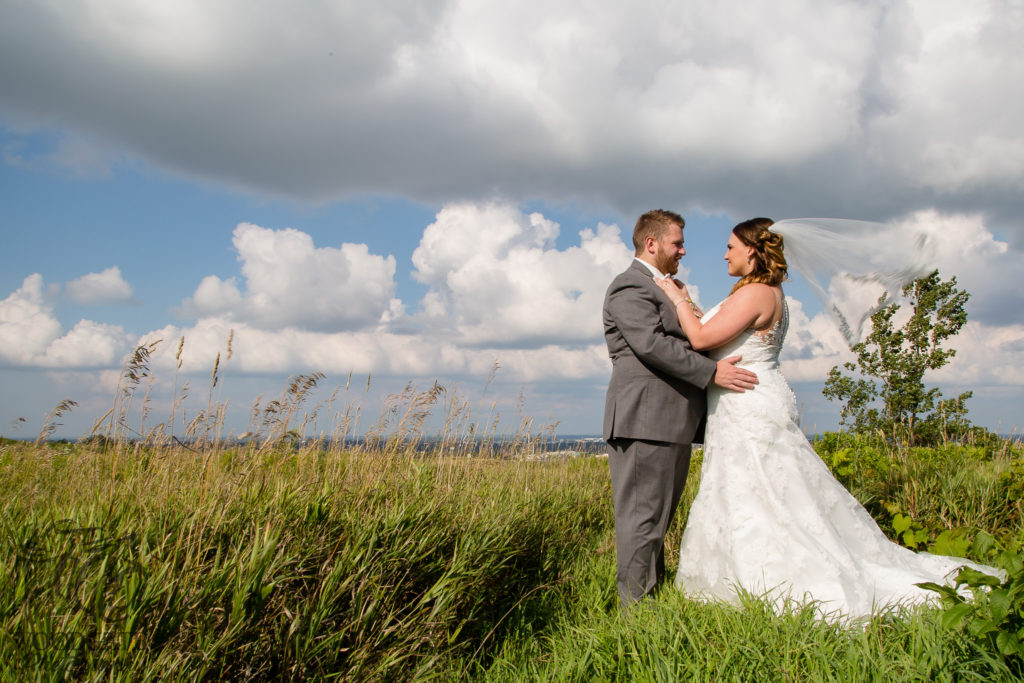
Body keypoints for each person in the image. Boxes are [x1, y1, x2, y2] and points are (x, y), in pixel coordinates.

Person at [655, 217, 999, 621]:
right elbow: (712, 330)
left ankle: (773, 581)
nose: (724, 253)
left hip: (750, 403)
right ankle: (740, 579)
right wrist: (688, 299)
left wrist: (675, 296)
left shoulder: (759, 292)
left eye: (730, 246)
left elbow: (700, 339)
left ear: (751, 249)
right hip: (739, 402)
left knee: (763, 492)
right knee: (749, 492)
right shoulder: (755, 292)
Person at [602, 209, 759, 609]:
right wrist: (711, 373)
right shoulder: (628, 287)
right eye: (677, 243)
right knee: (641, 523)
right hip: (645, 421)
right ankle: (634, 617)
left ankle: (648, 604)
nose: (684, 251)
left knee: (656, 523)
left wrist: (684, 301)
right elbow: (652, 345)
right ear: (651, 244)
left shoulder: (667, 286)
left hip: (671, 422)